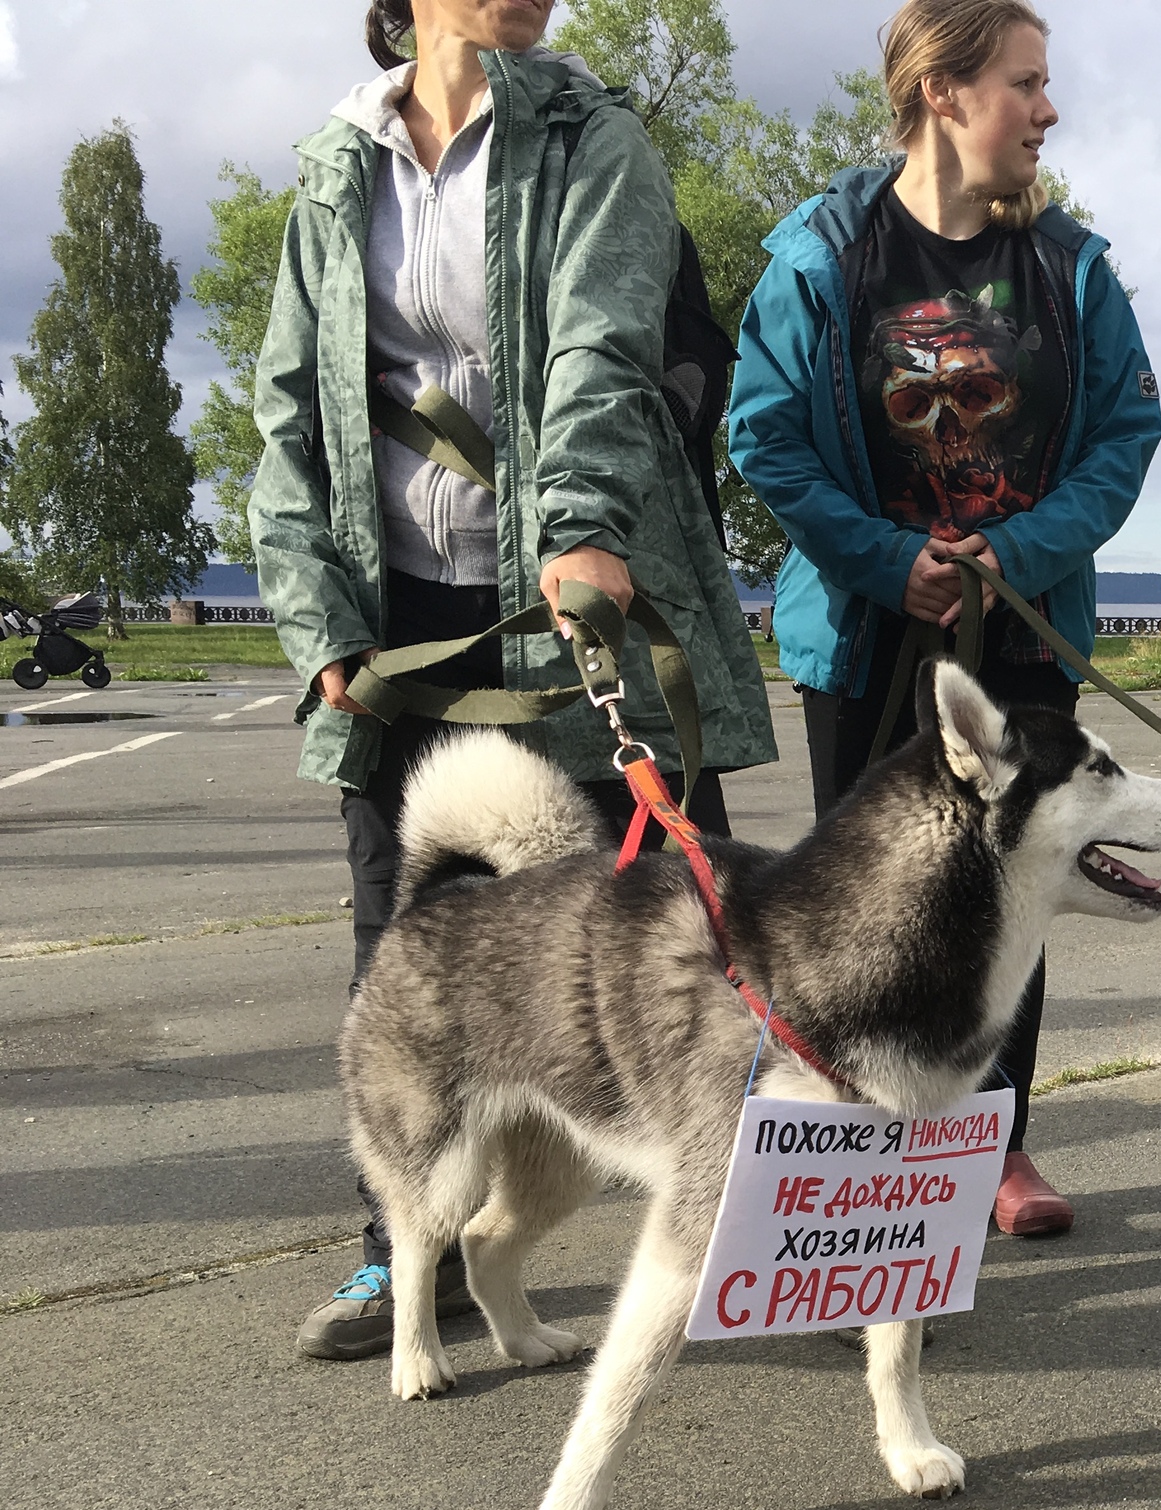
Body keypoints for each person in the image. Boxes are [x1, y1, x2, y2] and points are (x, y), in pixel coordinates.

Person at [253, 0, 777, 1359]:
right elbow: (290, 419)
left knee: (669, 943)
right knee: (406, 946)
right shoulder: (332, 171)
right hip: (397, 614)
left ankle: (755, 1247)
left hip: (571, 591)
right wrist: (319, 628)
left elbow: (602, 347)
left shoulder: (592, 137)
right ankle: (402, 1255)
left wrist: (588, 524)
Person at [728, 0, 1161, 1239]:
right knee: (853, 902)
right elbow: (762, 435)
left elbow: (1127, 438)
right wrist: (884, 559)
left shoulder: (1071, 270)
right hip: (867, 636)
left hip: (1019, 636)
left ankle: (992, 1142)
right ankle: (844, 1158)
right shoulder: (823, 251)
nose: (1047, 108)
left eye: (1045, 83)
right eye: (1025, 83)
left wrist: (1010, 552)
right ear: (942, 91)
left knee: (1016, 887)